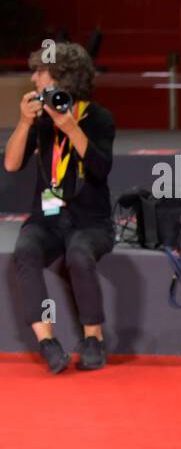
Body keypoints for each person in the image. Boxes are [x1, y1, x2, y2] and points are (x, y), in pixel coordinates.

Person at [4, 42, 116, 375]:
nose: (34, 77)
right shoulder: (38, 119)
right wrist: (24, 123)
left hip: (91, 221)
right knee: (25, 250)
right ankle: (47, 342)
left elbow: (99, 168)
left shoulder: (98, 118)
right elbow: (11, 164)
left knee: (79, 255)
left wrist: (68, 125)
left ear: (62, 79)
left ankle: (93, 339)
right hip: (48, 218)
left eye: (41, 71)